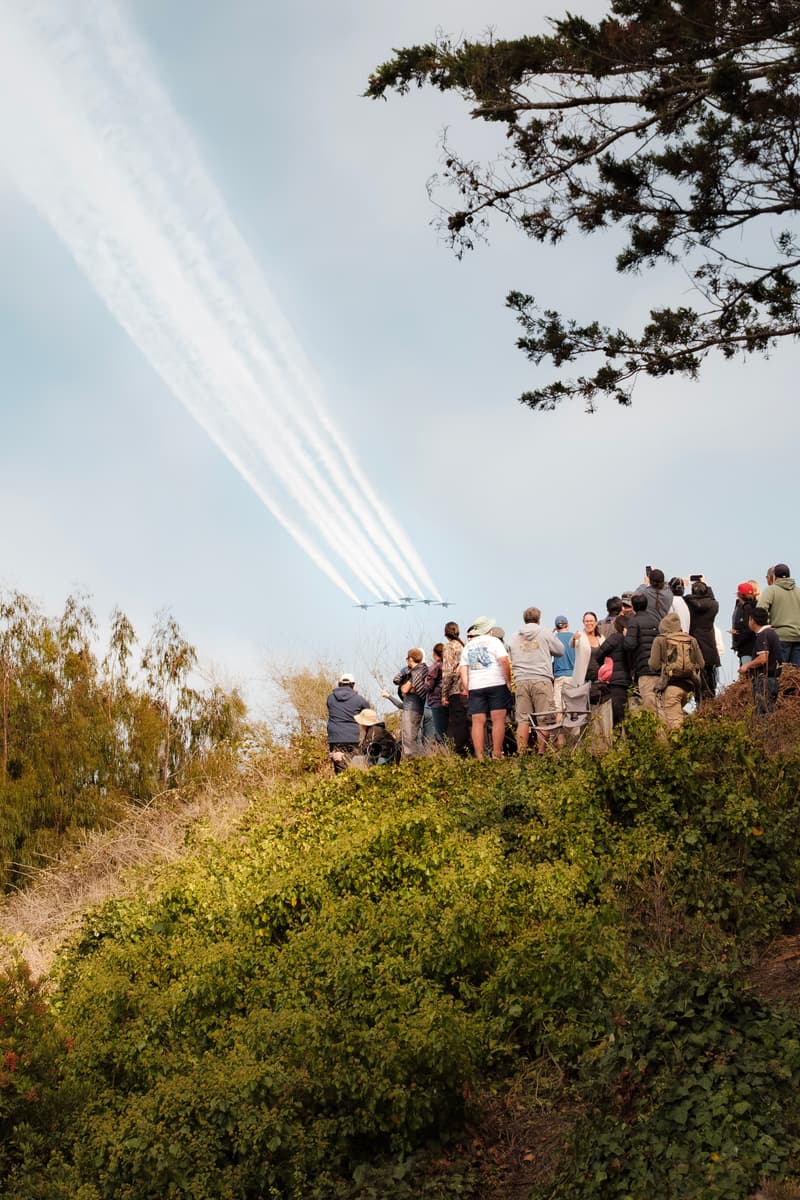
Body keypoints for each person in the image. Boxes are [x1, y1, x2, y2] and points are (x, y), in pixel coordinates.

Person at [507, 606, 565, 752]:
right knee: (543, 718)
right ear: (539, 619)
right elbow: (560, 650)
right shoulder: (545, 633)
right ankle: (541, 752)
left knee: (523, 720)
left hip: (521, 680)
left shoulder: (514, 636)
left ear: (524, 619)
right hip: (541, 679)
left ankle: (521, 754)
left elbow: (511, 654)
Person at [459, 616, 512, 760]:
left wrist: (468, 687)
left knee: (477, 721)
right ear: (488, 629)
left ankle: (480, 756)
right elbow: (504, 661)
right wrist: (508, 681)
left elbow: (463, 669)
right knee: (498, 719)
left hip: (476, 685)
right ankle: (497, 753)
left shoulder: (468, 646)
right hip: (496, 683)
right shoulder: (494, 641)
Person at [648, 613, 704, 731]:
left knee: (675, 725)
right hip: (689, 687)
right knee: (677, 717)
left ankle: (682, 742)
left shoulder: (660, 639)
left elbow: (653, 665)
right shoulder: (691, 639)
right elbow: (702, 664)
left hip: (671, 687)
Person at [623, 592, 661, 715]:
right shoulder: (656, 620)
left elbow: (630, 645)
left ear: (633, 607)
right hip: (659, 669)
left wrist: (625, 636)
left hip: (644, 669)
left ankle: (657, 728)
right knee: (660, 703)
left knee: (650, 706)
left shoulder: (634, 622)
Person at [738, 606, 782, 713]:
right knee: (768, 712)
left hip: (764, 681)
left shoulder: (763, 635)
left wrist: (747, 665)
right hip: (773, 680)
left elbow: (763, 658)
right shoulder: (772, 633)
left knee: (762, 715)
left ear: (752, 620)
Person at [684, 578, 720, 700]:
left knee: (698, 677)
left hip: (695, 641)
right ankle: (711, 700)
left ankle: (700, 701)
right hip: (709, 643)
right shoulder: (714, 605)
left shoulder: (688, 604)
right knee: (710, 677)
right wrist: (706, 586)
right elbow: (711, 598)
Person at [326, 673, 370, 773]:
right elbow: (368, 711)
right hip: (352, 737)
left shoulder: (330, 698)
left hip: (335, 737)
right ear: (353, 685)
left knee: (339, 765)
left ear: (339, 684)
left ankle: (340, 780)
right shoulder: (359, 699)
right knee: (354, 765)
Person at [759, 563, 800, 665]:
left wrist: (766, 625)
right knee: (796, 672)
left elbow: (760, 610)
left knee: (779, 670)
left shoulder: (771, 590)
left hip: (780, 636)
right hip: (798, 636)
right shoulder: (798, 591)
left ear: (774, 576)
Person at [392, 648, 428, 759]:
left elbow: (404, 689)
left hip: (412, 708)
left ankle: (411, 761)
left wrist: (407, 687)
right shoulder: (411, 670)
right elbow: (399, 682)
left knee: (409, 737)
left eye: (407, 658)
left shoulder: (418, 671)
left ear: (411, 659)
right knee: (411, 737)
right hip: (414, 707)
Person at [440, 621, 469, 755]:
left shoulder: (449, 647)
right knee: (466, 721)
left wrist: (444, 694)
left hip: (455, 689)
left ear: (446, 633)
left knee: (457, 723)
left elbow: (448, 672)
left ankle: (460, 752)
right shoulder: (463, 646)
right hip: (467, 687)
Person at [597, 614, 632, 726]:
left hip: (616, 680)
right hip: (630, 679)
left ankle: (617, 736)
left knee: (618, 714)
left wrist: (606, 664)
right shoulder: (631, 639)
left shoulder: (615, 638)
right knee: (628, 713)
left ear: (617, 626)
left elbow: (599, 654)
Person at [552, 615, 576, 720]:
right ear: (568, 625)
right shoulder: (574, 637)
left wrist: (553, 632)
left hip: (559, 676)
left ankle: (560, 730)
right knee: (573, 709)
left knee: (559, 710)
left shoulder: (554, 638)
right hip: (573, 676)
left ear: (556, 627)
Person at [425, 644, 448, 742]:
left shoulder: (436, 666)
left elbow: (428, 685)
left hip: (436, 701)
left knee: (441, 732)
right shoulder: (449, 664)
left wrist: (424, 682)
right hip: (449, 699)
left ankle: (446, 749)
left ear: (434, 654)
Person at [730, 582, 758, 666]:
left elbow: (747, 629)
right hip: (755, 646)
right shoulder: (757, 605)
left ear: (739, 595)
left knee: (747, 670)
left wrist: (738, 638)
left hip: (746, 648)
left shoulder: (746, 608)